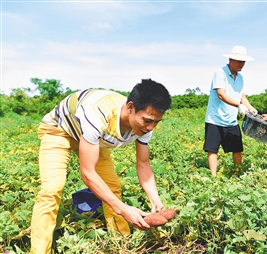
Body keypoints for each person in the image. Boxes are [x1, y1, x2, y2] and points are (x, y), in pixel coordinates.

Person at [30, 79, 172, 253]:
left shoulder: (144, 128)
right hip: (60, 130)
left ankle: (122, 243)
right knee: (51, 189)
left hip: (92, 138)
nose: (151, 127)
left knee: (113, 186)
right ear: (130, 107)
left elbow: (143, 164)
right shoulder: (98, 113)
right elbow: (87, 173)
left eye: (156, 122)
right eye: (148, 120)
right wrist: (123, 209)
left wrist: (155, 200)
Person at [203, 46, 258, 177]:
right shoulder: (220, 73)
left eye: (243, 61)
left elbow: (241, 96)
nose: (242, 64)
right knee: (212, 150)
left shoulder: (240, 78)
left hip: (231, 120)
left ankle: (237, 175)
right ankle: (213, 178)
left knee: (237, 149)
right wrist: (239, 106)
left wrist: (250, 108)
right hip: (215, 119)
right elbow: (220, 94)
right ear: (231, 59)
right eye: (239, 61)